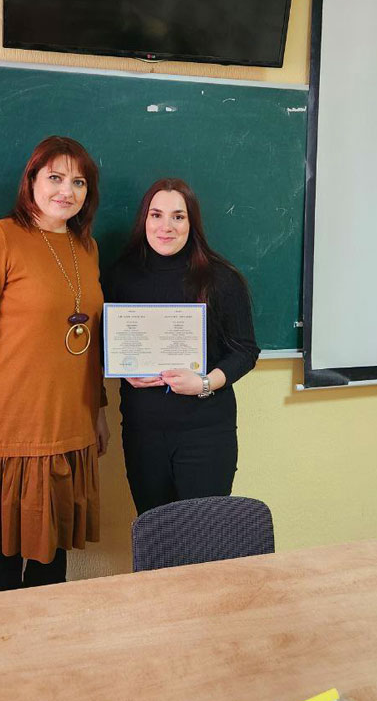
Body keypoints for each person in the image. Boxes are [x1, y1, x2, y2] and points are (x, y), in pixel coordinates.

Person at [0, 136, 110, 593]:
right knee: (4, 559)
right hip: (12, 433)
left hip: (71, 426)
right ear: (32, 181)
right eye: (55, 178)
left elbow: (91, 342)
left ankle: (46, 643)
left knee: (52, 563)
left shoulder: (87, 247)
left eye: (79, 182)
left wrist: (98, 410)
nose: (67, 191)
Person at [106, 178, 260, 515]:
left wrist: (203, 383)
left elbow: (246, 351)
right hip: (143, 435)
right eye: (156, 215)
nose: (166, 227)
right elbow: (104, 344)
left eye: (178, 216)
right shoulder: (120, 277)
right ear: (144, 220)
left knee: (203, 534)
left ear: (192, 223)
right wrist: (123, 370)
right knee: (156, 533)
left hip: (206, 434)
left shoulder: (221, 278)